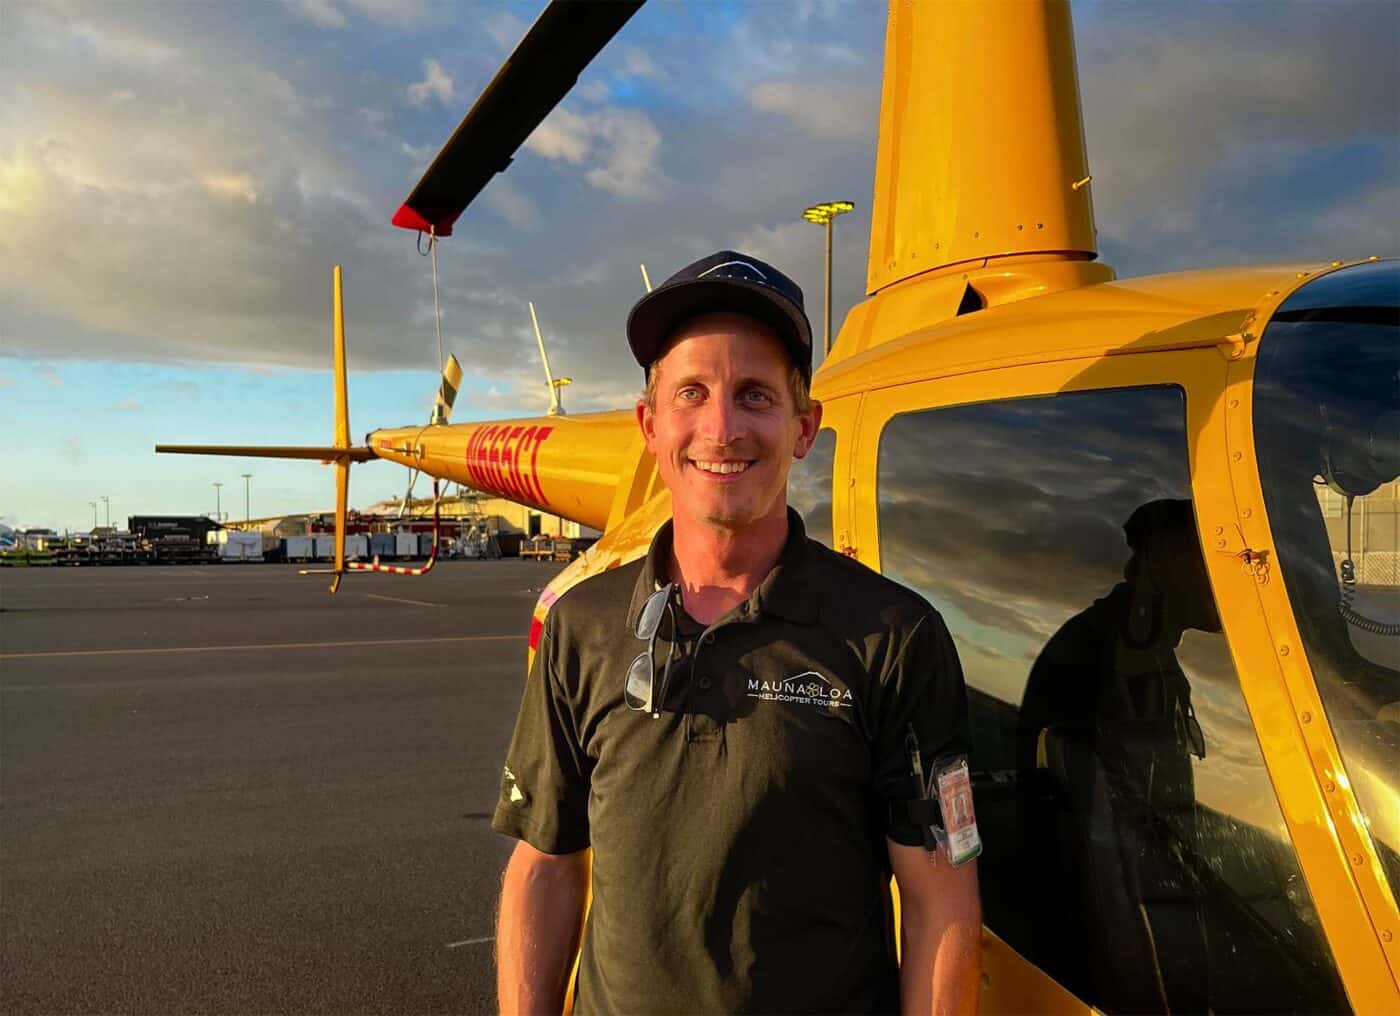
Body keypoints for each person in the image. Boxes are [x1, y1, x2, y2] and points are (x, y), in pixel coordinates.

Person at [492, 251, 982, 1014]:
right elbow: (545, 864)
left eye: (754, 396)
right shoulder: (581, 628)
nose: (721, 428)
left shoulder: (893, 637)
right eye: (692, 393)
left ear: (804, 427)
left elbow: (941, 900)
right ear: (650, 425)